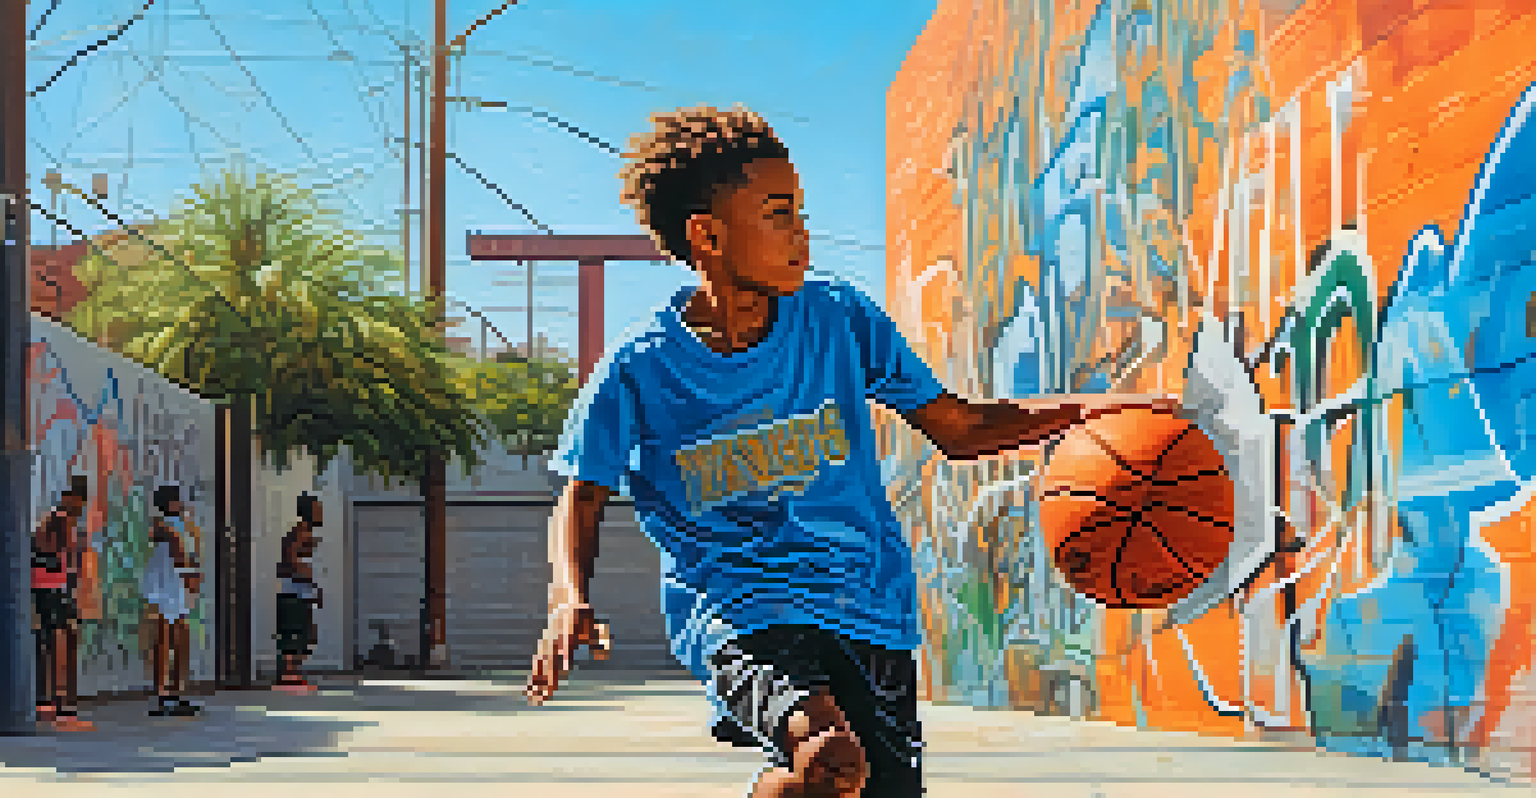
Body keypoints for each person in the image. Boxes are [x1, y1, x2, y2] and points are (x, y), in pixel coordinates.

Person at [524, 105, 1180, 797]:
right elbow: (584, 491)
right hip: (742, 610)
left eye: (802, 212)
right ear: (708, 235)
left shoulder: (840, 318)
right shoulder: (641, 367)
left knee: (839, 785)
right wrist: (569, 597)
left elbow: (957, 426)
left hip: (867, 603)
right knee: (829, 749)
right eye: (778, 214)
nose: (801, 233)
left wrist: (1083, 409)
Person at [32, 475, 90, 729]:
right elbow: (64, 556)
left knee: (51, 643)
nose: (81, 508)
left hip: (48, 589)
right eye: (80, 502)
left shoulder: (53, 520)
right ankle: (60, 708)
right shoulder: (60, 521)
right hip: (53, 589)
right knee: (61, 644)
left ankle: (50, 706)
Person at [142, 484, 203, 716]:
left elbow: (190, 555)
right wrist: (191, 575)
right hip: (162, 590)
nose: (183, 505)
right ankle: (164, 694)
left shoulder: (182, 527)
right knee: (164, 642)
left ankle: (176, 693)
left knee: (178, 642)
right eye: (178, 501)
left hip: (177, 590)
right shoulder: (164, 526)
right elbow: (180, 554)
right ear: (170, 504)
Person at [275, 493, 323, 693]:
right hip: (294, 590)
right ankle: (289, 676)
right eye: (317, 509)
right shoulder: (301, 531)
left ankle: (292, 674)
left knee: (304, 633)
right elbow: (291, 558)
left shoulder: (305, 531)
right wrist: (310, 579)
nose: (321, 513)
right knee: (295, 633)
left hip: (300, 590)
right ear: (309, 511)